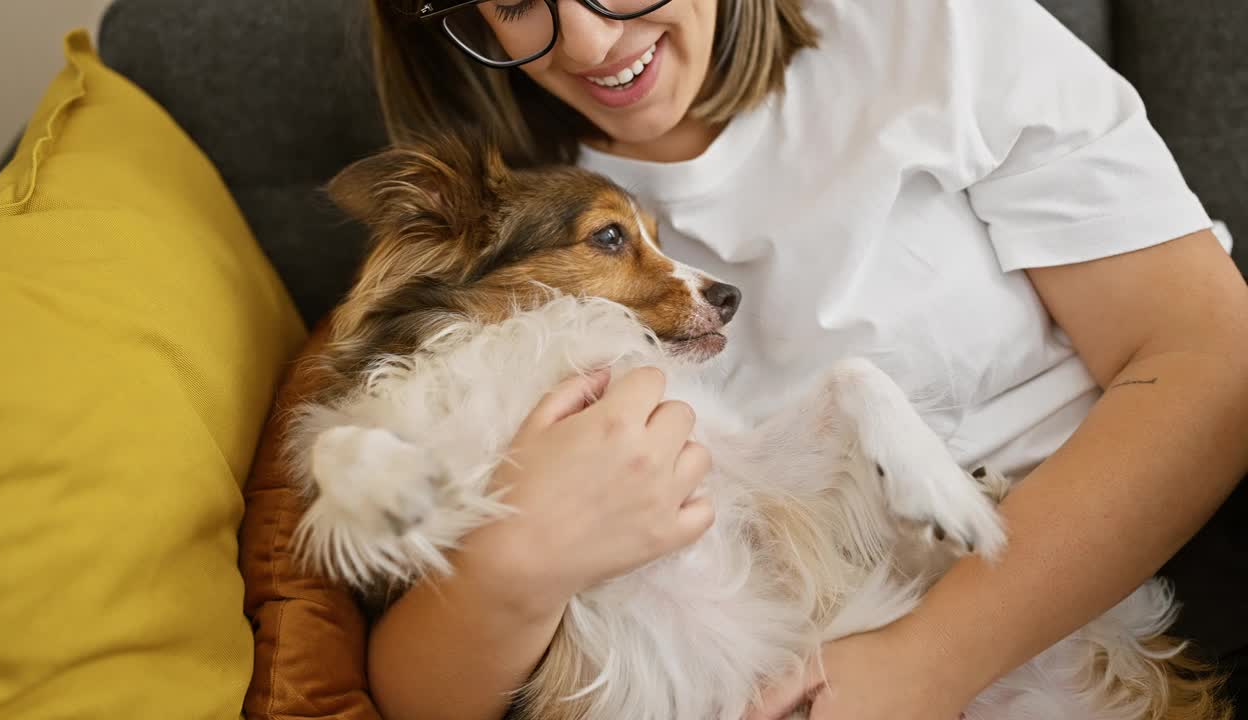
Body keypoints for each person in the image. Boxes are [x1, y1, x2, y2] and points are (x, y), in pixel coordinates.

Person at [357, 0, 1248, 718]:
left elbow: (1214, 362)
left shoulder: (932, 30)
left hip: (1100, 610)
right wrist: (517, 561)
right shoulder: (491, 242)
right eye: (518, 3)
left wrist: (929, 662)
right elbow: (416, 689)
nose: (590, 39)